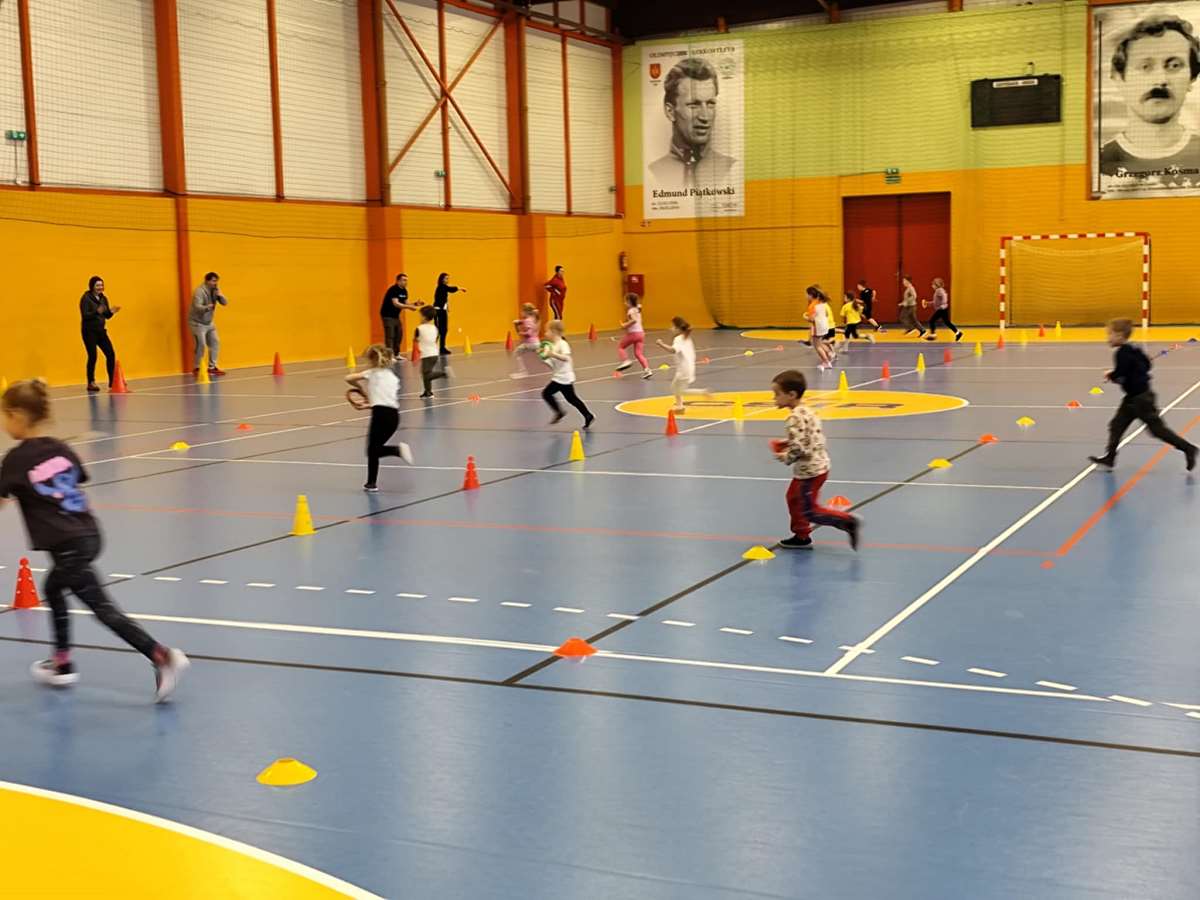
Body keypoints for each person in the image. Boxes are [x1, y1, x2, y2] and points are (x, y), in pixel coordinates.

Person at [0, 379, 189, 700]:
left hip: (67, 545)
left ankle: (161, 655)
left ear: (17, 415)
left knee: (102, 609)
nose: (3, 424)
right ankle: (62, 664)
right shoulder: (61, 449)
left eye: (4, 416)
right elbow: (76, 477)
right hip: (88, 534)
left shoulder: (15, 461)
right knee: (53, 588)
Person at [1088, 317, 1196, 471]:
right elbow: (1147, 364)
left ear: (1119, 335)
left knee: (1157, 430)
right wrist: (1133, 372)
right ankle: (1110, 457)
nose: (1108, 338)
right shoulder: (1134, 348)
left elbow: (1121, 376)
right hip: (1134, 397)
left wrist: (1110, 375)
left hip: (1141, 400)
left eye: (1110, 334)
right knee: (1116, 425)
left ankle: (1188, 448)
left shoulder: (1121, 353)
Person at [1100, 15, 1200, 181]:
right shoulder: (1099, 165)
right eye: (1145, 66)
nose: (1160, 80)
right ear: (1119, 78)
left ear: (1192, 78)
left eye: (1174, 65)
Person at [770, 369, 861, 551]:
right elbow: (811, 437)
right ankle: (801, 535)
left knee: (809, 510)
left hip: (810, 472)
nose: (774, 399)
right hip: (818, 466)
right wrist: (786, 442)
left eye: (777, 394)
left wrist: (785, 456)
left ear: (791, 395)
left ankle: (847, 521)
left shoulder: (793, 419)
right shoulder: (807, 411)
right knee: (793, 498)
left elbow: (799, 448)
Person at [647, 58, 737, 190]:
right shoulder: (650, 174)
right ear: (670, 111)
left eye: (710, 104)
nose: (705, 116)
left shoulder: (733, 169)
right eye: (694, 105)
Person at [346, 345, 414, 493]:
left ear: (373, 360)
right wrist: (369, 404)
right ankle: (371, 483)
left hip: (380, 416)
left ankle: (397, 450)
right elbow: (384, 399)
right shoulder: (393, 378)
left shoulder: (371, 373)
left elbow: (348, 378)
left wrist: (360, 388)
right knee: (374, 449)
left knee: (373, 449)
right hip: (393, 416)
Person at [541, 320, 594, 429]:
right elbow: (553, 364)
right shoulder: (553, 345)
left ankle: (559, 412)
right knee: (572, 398)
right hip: (560, 376)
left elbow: (566, 358)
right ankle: (588, 415)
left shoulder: (562, 344)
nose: (545, 333)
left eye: (547, 331)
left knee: (546, 394)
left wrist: (552, 354)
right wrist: (545, 358)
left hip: (563, 377)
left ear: (554, 331)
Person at [79, 276, 121, 392]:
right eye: (97, 285)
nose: (100, 287)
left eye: (101, 285)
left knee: (110, 354)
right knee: (93, 356)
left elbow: (106, 315)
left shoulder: (103, 298)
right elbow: (85, 315)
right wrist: (96, 312)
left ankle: (112, 382)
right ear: (92, 286)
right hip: (89, 332)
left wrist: (111, 312)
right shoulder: (86, 298)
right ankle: (91, 382)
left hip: (101, 331)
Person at [656, 316, 699, 414]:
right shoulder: (686, 337)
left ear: (677, 328)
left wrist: (661, 344)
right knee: (677, 388)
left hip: (683, 369)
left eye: (672, 326)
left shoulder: (678, 339)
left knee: (677, 389)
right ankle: (680, 407)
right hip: (689, 367)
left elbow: (673, 350)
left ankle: (702, 393)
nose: (670, 328)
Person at [189, 272, 227, 377]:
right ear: (207, 281)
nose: (215, 283)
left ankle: (212, 367)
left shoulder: (215, 290)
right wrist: (206, 307)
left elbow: (225, 303)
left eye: (216, 281)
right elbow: (197, 306)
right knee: (201, 344)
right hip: (197, 323)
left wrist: (221, 295)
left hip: (209, 322)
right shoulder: (199, 291)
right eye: (213, 281)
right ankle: (197, 367)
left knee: (215, 342)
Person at [380, 273, 421, 357]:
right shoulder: (393, 289)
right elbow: (396, 304)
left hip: (396, 316)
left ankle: (396, 354)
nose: (406, 282)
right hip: (387, 315)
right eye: (404, 280)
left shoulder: (404, 291)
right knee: (390, 336)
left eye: (407, 280)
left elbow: (406, 303)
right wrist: (409, 307)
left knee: (399, 334)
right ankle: (389, 356)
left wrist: (415, 304)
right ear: (398, 281)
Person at [615, 293, 652, 379]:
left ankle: (626, 361)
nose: (624, 303)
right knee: (638, 354)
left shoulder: (631, 310)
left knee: (621, 347)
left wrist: (624, 325)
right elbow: (639, 307)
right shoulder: (637, 309)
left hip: (633, 333)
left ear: (629, 302)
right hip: (641, 334)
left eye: (626, 301)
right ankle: (647, 370)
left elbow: (634, 320)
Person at [416, 306, 447, 399]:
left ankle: (443, 373)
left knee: (426, 374)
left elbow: (416, 340)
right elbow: (436, 339)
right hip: (434, 353)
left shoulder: (419, 328)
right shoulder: (434, 328)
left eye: (420, 316)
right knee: (426, 372)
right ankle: (428, 392)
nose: (419, 317)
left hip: (427, 354)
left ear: (424, 317)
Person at [433, 273, 466, 355]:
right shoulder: (441, 287)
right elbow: (451, 289)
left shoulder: (443, 288)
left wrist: (447, 307)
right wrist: (460, 288)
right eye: (446, 278)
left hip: (442, 311)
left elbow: (444, 297)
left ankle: (442, 348)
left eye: (448, 278)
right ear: (442, 279)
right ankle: (433, 347)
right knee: (438, 330)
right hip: (438, 311)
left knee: (444, 330)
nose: (447, 280)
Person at [804, 286, 836, 370]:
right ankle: (830, 354)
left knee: (817, 346)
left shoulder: (812, 305)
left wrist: (805, 317)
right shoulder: (820, 303)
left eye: (806, 294)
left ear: (811, 295)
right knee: (820, 343)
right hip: (823, 326)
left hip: (817, 327)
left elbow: (811, 319)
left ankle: (826, 362)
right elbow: (826, 314)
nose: (806, 296)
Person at [511, 304, 545, 379]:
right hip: (536, 343)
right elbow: (525, 322)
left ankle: (523, 372)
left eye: (522, 311)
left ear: (525, 312)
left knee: (517, 353)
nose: (521, 313)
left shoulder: (527, 320)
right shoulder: (534, 318)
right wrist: (519, 322)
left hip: (530, 343)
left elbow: (529, 333)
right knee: (542, 356)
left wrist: (521, 332)